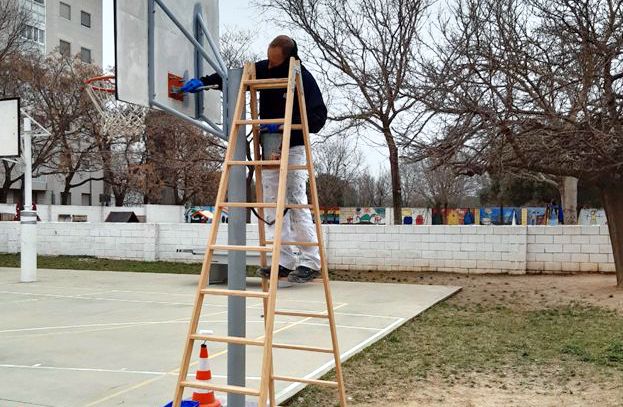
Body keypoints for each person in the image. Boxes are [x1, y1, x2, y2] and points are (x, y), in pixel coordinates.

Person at [181, 35, 328, 283]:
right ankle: (283, 261)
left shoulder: (302, 77)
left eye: (274, 63)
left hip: (292, 147)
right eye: (268, 60)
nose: (268, 66)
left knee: (295, 203)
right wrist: (204, 82)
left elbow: (318, 119)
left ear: (289, 60)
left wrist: (285, 127)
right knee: (271, 205)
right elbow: (231, 78)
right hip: (268, 148)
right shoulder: (263, 68)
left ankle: (310, 261)